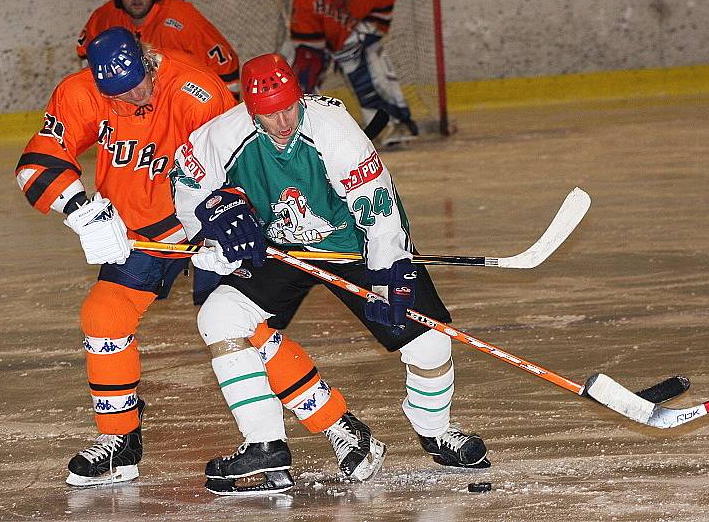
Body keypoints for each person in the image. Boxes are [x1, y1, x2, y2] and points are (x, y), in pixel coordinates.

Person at [172, 53, 489, 495]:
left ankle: (434, 429)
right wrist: (212, 218)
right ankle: (265, 445)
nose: (283, 122)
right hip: (280, 247)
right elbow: (186, 187)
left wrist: (388, 277)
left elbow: (381, 216)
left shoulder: (335, 132)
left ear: (299, 96)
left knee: (431, 341)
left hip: (350, 246)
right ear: (250, 108)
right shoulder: (222, 134)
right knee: (219, 317)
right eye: (269, 113)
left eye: (289, 107)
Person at [15, 26, 237, 486]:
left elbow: (240, 163)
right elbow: (36, 164)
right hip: (140, 233)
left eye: (138, 81)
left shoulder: (196, 90)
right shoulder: (80, 93)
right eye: (118, 91)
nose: (134, 95)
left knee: (240, 323)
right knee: (104, 316)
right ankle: (120, 444)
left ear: (147, 58)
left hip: (202, 222)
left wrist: (230, 225)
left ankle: (336, 424)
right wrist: (83, 211)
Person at [288, 0, 418, 146]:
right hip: (318, 40)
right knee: (303, 79)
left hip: (353, 40)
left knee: (375, 76)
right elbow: (305, 34)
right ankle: (303, 130)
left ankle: (394, 124)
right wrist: (321, 54)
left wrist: (358, 39)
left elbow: (380, 20)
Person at [77, 0, 240, 98]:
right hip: (130, 101)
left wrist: (224, 109)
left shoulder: (182, 17)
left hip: (180, 97)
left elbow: (226, 66)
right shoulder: (104, 17)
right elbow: (85, 56)